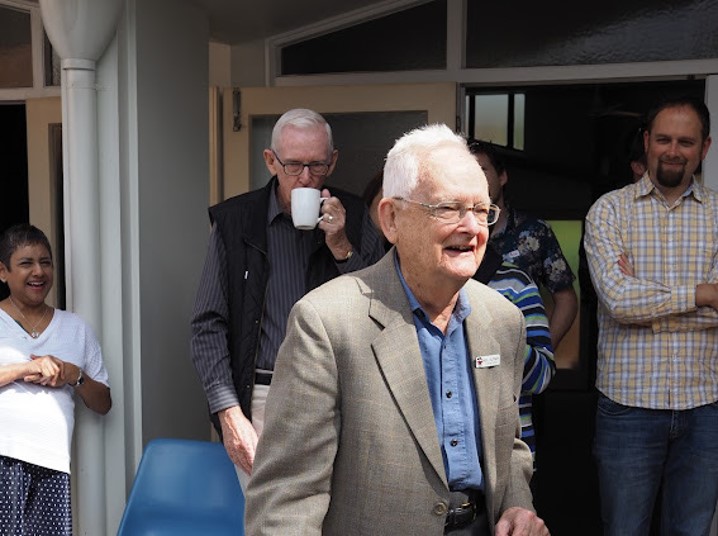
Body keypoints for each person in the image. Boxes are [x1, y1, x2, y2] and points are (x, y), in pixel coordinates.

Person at [246, 124, 549, 535]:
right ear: (391, 219)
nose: (472, 227)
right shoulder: (326, 322)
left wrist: (517, 505)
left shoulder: (503, 319)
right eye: (448, 208)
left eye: (481, 211)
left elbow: (507, 446)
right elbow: (287, 499)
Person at [190, 108, 384, 489]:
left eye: (317, 165)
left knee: (338, 515)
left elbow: (381, 311)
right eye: (293, 165)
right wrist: (228, 412)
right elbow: (207, 325)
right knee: (269, 516)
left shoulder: (357, 218)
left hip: (341, 396)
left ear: (333, 162)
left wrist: (341, 247)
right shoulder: (235, 221)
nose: (306, 178)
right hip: (263, 398)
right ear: (270, 161)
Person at [584, 96, 718, 535]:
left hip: (706, 405)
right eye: (663, 139)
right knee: (624, 529)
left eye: (686, 141)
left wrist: (644, 300)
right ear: (646, 141)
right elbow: (619, 302)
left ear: (705, 148)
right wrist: (703, 294)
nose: (673, 150)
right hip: (628, 406)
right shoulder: (609, 211)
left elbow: (631, 304)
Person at [0, 224, 111, 535]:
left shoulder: (75, 328)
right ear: (3, 272)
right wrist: (25, 369)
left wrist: (74, 375)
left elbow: (103, 402)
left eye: (45, 262)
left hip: (53, 463)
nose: (39, 272)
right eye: (26, 263)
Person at [468, 140, 577, 350]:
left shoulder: (534, 231)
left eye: (482, 170)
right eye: (467, 173)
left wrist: (543, 353)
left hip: (518, 353)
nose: (475, 180)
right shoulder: (452, 231)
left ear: (502, 176)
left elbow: (566, 299)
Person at [474, 243, 555, 465]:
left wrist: (501, 332)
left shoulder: (515, 284)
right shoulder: (420, 283)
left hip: (509, 458)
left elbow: (542, 378)